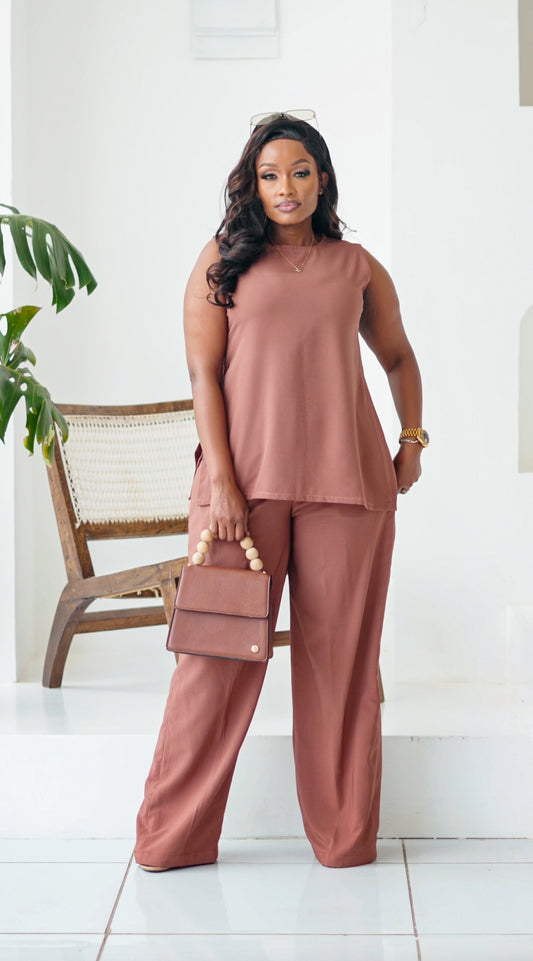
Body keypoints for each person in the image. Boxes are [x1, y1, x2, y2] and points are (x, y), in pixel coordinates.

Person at [135, 110, 427, 871]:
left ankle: (343, 838)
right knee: (213, 665)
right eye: (270, 175)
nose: (286, 187)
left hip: (349, 489)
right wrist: (222, 481)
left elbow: (398, 357)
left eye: (299, 172)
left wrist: (411, 440)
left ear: (321, 178)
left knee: (341, 669)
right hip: (242, 492)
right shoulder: (222, 261)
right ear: (252, 184)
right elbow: (203, 375)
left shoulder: (355, 266)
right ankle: (171, 838)